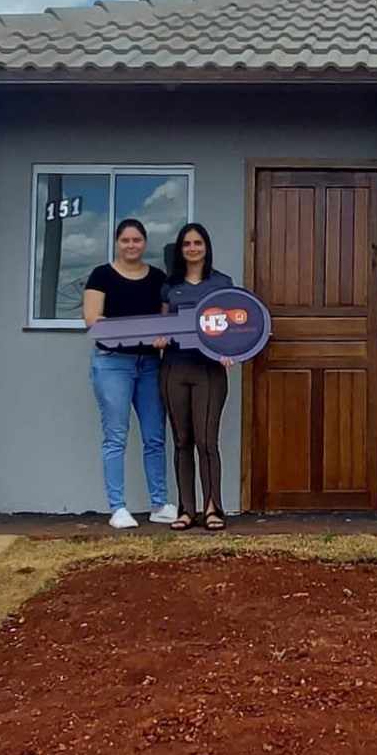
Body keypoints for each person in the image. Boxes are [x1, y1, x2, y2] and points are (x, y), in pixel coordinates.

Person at [84, 218, 177, 530]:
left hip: (149, 364)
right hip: (112, 364)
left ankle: (159, 504)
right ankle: (118, 507)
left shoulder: (158, 278)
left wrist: (162, 337)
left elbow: (164, 323)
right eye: (125, 240)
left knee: (155, 436)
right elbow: (93, 320)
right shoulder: (102, 275)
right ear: (117, 242)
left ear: (144, 242)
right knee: (116, 436)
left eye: (136, 240)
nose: (131, 245)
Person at [156, 222, 236, 531]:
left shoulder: (221, 283)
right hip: (174, 368)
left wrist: (231, 350)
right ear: (180, 249)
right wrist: (161, 339)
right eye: (187, 243)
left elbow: (235, 324)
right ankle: (186, 510)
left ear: (206, 247)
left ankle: (213, 508)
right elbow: (163, 324)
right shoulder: (170, 285)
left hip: (209, 370)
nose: (192, 248)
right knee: (182, 441)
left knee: (206, 441)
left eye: (197, 243)